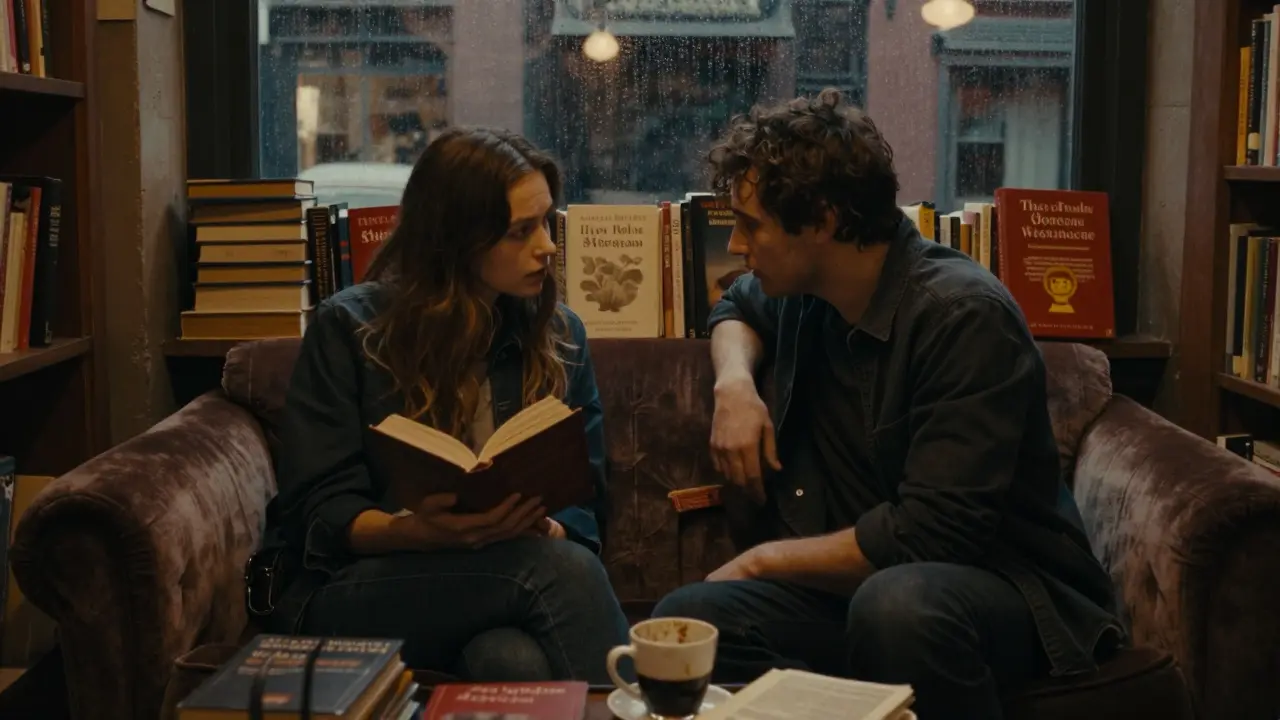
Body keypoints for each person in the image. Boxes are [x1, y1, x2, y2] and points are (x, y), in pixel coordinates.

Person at [652, 89, 1126, 718]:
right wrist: (734, 386)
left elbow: (933, 535)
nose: (737, 245)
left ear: (821, 221)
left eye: (751, 224)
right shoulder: (803, 288)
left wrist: (764, 559)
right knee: (688, 619)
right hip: (858, 589)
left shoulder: (963, 316)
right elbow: (735, 306)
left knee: (897, 607)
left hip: (1000, 589)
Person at [252, 126, 631, 683]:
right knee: (556, 572)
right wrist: (415, 532)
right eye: (520, 231)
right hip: (369, 585)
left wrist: (545, 527)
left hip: (502, 579)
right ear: (459, 239)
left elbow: (584, 500)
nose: (547, 245)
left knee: (508, 658)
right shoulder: (349, 329)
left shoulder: (560, 334)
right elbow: (321, 510)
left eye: (546, 221)